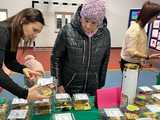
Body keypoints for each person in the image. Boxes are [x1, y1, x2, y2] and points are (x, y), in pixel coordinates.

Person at [51, 0, 111, 96]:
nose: (88, 26)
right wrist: (58, 84)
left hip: (92, 87)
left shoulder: (105, 34)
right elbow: (56, 58)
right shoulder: (67, 31)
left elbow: (105, 59)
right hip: (69, 86)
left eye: (93, 23)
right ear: (81, 17)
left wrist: (100, 83)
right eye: (86, 20)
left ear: (99, 23)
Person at [0, 8, 49, 100]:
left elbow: (10, 61)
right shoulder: (2, 31)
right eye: (34, 30)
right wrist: (24, 93)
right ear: (23, 21)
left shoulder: (13, 34)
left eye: (38, 33)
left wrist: (23, 69)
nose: (35, 36)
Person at [120, 1, 160, 72]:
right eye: (155, 16)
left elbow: (139, 46)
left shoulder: (141, 28)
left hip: (134, 62)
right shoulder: (135, 30)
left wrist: (142, 61)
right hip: (129, 63)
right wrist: (148, 57)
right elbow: (131, 52)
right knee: (130, 83)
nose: (155, 19)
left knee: (132, 83)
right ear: (149, 15)